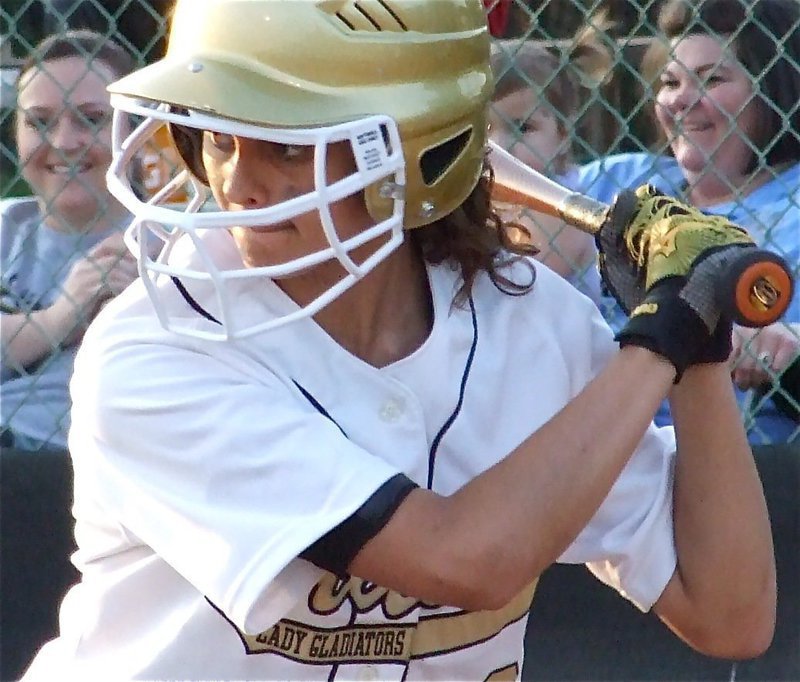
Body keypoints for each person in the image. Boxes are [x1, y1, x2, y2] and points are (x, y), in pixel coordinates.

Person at [24, 1, 775, 679]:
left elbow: (729, 614)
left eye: (285, 146)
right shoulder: (158, 347)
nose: (237, 184)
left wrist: (698, 335)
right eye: (214, 137)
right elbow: (465, 559)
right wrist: (661, 337)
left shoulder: (527, 323)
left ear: (412, 149)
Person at [575, 0, 800, 444]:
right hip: (596, 442)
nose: (680, 99)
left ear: (774, 88)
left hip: (740, 457)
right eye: (670, 81)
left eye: (711, 79)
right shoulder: (619, 179)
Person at [0, 30, 139, 451]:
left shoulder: (171, 240)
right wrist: (61, 317)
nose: (63, 142)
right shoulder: (6, 227)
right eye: (39, 121)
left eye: (92, 118)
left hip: (94, 462)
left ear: (133, 132)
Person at [489, 20, 612, 303]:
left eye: (522, 127)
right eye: (484, 131)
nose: (499, 146)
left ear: (563, 136)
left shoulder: (567, 213)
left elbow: (512, 291)